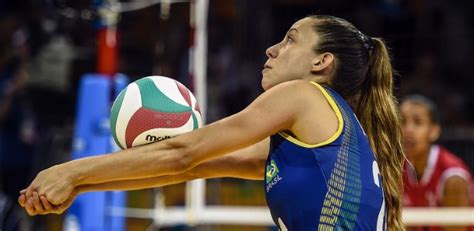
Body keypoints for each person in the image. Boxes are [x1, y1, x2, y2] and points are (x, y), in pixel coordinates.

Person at [19, 15, 405, 230]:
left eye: (290, 39)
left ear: (321, 63)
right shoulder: (318, 138)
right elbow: (189, 169)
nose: (272, 49)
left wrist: (70, 170)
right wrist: (79, 186)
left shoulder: (303, 95)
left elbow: (184, 153)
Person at [401, 94, 472, 231]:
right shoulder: (396, 168)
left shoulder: (453, 179)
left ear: (434, 131)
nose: (408, 130)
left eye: (417, 122)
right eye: (403, 122)